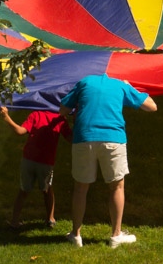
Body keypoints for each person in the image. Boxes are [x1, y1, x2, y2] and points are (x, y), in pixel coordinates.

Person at [59, 74, 157, 248]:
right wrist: (130, 87)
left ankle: (76, 235)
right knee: (117, 186)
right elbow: (152, 106)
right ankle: (115, 235)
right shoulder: (120, 85)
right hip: (113, 139)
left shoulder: (84, 82)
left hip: (84, 137)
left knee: (80, 188)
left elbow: (63, 110)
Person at [0, 106, 72, 229]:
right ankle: (50, 219)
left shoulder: (36, 114)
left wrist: (6, 117)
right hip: (46, 163)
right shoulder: (60, 118)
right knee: (47, 190)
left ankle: (14, 221)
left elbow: (20, 131)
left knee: (23, 191)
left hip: (28, 160)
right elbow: (71, 138)